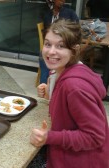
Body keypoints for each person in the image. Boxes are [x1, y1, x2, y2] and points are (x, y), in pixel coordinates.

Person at [31, 19, 109, 167]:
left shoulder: (74, 86)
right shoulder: (59, 69)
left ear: (75, 50)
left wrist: (49, 137)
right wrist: (49, 92)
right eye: (48, 44)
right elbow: (65, 107)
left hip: (80, 161)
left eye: (61, 46)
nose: (51, 51)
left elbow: (95, 136)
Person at [39, 0, 79, 84]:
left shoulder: (70, 13)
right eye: (60, 0)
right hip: (52, 46)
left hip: (64, 46)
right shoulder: (47, 14)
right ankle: (44, 85)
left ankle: (56, 85)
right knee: (44, 56)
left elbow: (77, 29)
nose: (62, 1)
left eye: (63, 0)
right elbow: (45, 32)